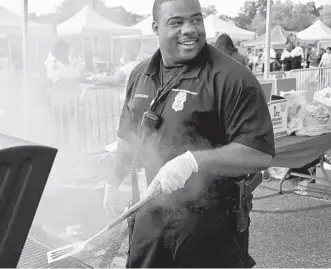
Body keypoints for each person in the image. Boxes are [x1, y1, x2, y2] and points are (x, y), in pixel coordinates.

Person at [103, 0, 275, 267]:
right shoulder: (140, 75)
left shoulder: (232, 78)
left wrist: (193, 161)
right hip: (149, 214)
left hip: (211, 224)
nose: (190, 29)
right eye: (176, 22)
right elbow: (129, 138)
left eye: (196, 20)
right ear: (155, 28)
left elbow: (259, 153)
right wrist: (112, 183)